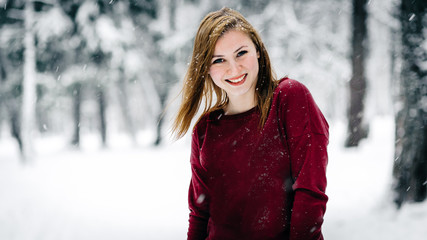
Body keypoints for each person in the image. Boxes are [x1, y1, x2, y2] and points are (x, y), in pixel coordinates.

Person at [172, 7, 329, 240]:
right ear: (206, 68)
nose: (234, 68)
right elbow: (199, 214)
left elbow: (309, 193)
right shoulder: (205, 130)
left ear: (257, 49)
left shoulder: (289, 98)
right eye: (219, 60)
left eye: (240, 53)